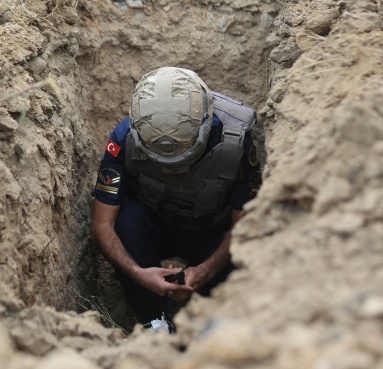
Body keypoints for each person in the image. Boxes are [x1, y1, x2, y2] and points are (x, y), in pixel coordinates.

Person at [90, 67, 261, 324]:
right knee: (127, 219)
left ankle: (214, 325)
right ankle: (153, 322)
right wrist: (138, 273)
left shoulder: (238, 140)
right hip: (157, 227)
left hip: (211, 233)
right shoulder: (125, 138)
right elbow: (102, 225)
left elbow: (245, 224)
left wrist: (205, 270)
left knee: (251, 254)